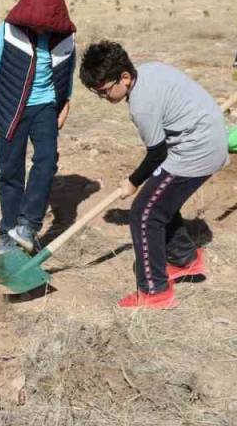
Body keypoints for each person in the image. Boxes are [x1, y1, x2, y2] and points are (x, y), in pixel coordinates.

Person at [80, 40, 226, 310]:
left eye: (104, 91)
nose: (104, 98)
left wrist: (132, 182)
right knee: (160, 201)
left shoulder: (141, 105)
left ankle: (154, 291)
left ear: (124, 77)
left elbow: (157, 154)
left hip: (198, 150)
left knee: (144, 213)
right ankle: (184, 259)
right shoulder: (148, 70)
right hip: (208, 138)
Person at [0, 0, 75, 254]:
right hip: (10, 106)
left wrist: (66, 104)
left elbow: (67, 72)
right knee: (11, 172)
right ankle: (7, 233)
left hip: (45, 107)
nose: (41, 29)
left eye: (46, 25)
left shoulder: (65, 38)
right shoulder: (7, 31)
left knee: (47, 160)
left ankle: (27, 225)